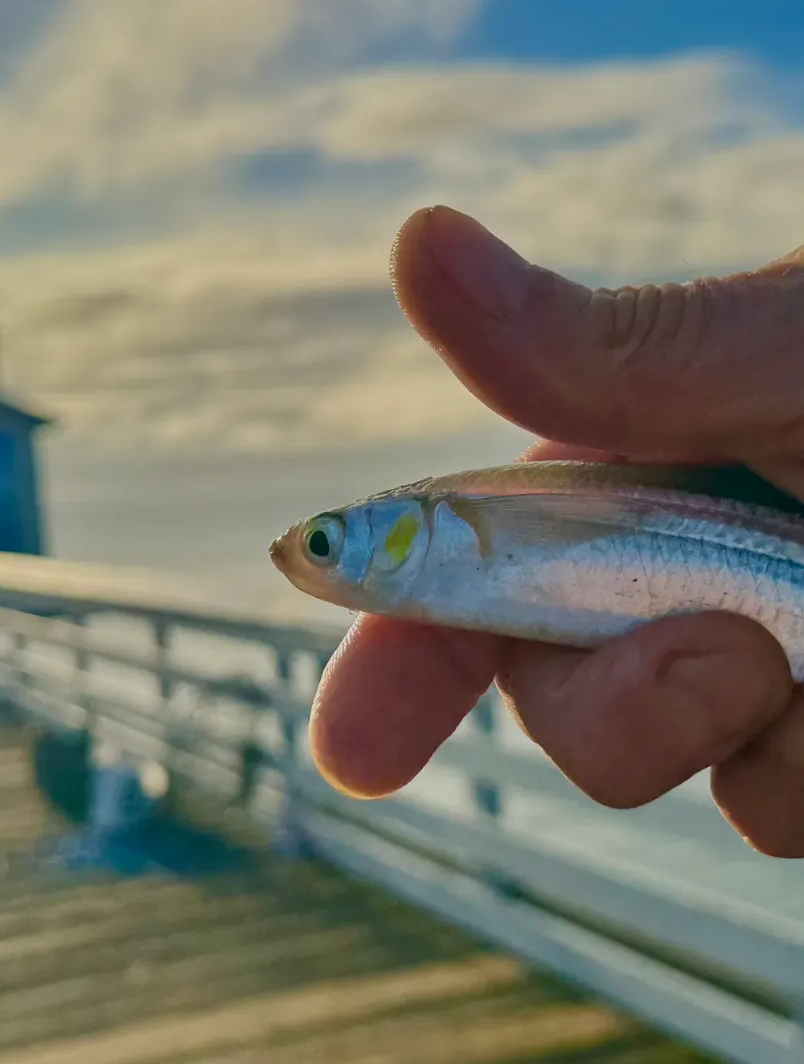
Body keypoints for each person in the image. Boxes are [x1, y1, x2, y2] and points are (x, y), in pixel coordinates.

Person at [310, 205, 804, 860]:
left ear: (412, 529)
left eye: (326, 543)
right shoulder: (471, 528)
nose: (315, 558)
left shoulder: (473, 513)